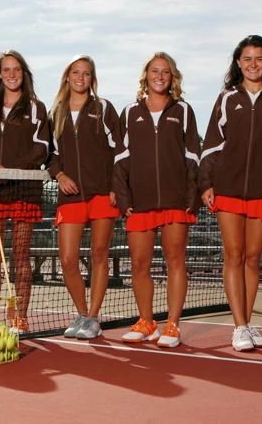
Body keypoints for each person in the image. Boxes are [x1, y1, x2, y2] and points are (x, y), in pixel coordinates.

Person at [199, 36, 262, 352]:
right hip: (228, 187)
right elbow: (211, 145)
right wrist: (206, 183)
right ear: (238, 63)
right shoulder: (227, 98)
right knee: (234, 255)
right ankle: (240, 326)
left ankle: (246, 320)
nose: (253, 64)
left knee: (253, 259)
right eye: (247, 59)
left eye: (259, 58)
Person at [113, 52, 200, 348]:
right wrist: (124, 199)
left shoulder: (184, 110)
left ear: (172, 77)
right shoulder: (129, 112)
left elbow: (192, 156)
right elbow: (120, 159)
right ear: (146, 76)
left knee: (175, 261)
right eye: (154, 71)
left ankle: (173, 325)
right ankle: (146, 320)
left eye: (165, 71)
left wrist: (192, 195)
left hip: (176, 201)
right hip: (140, 201)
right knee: (139, 264)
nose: (159, 76)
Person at [0, 50, 49, 335]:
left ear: (24, 73)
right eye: (6, 69)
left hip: (24, 191)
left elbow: (42, 148)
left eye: (17, 69)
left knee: (20, 256)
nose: (12, 74)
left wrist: (13, 171)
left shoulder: (37, 108)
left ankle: (19, 317)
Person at [46, 55, 120, 340]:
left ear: (92, 79)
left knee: (99, 254)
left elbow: (119, 152)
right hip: (71, 196)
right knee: (67, 259)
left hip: (102, 193)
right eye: (75, 72)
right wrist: (60, 175)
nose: (80, 77)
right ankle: (81, 313)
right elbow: (50, 155)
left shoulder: (103, 109)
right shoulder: (56, 114)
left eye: (86, 73)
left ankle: (93, 317)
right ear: (67, 77)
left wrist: (117, 186)